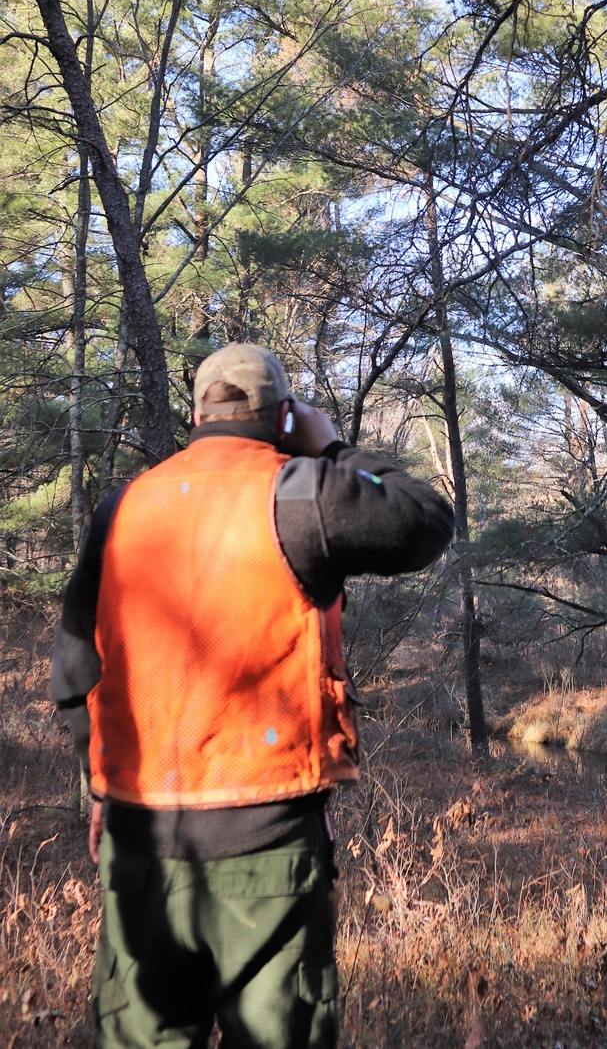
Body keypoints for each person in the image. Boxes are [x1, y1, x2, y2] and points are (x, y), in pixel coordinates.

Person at [50, 343, 454, 1049]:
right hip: (267, 849)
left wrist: (98, 785)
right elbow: (425, 519)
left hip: (140, 844)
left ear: (198, 412)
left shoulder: (123, 507)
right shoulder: (300, 491)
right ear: (282, 415)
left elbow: (76, 669)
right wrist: (334, 446)